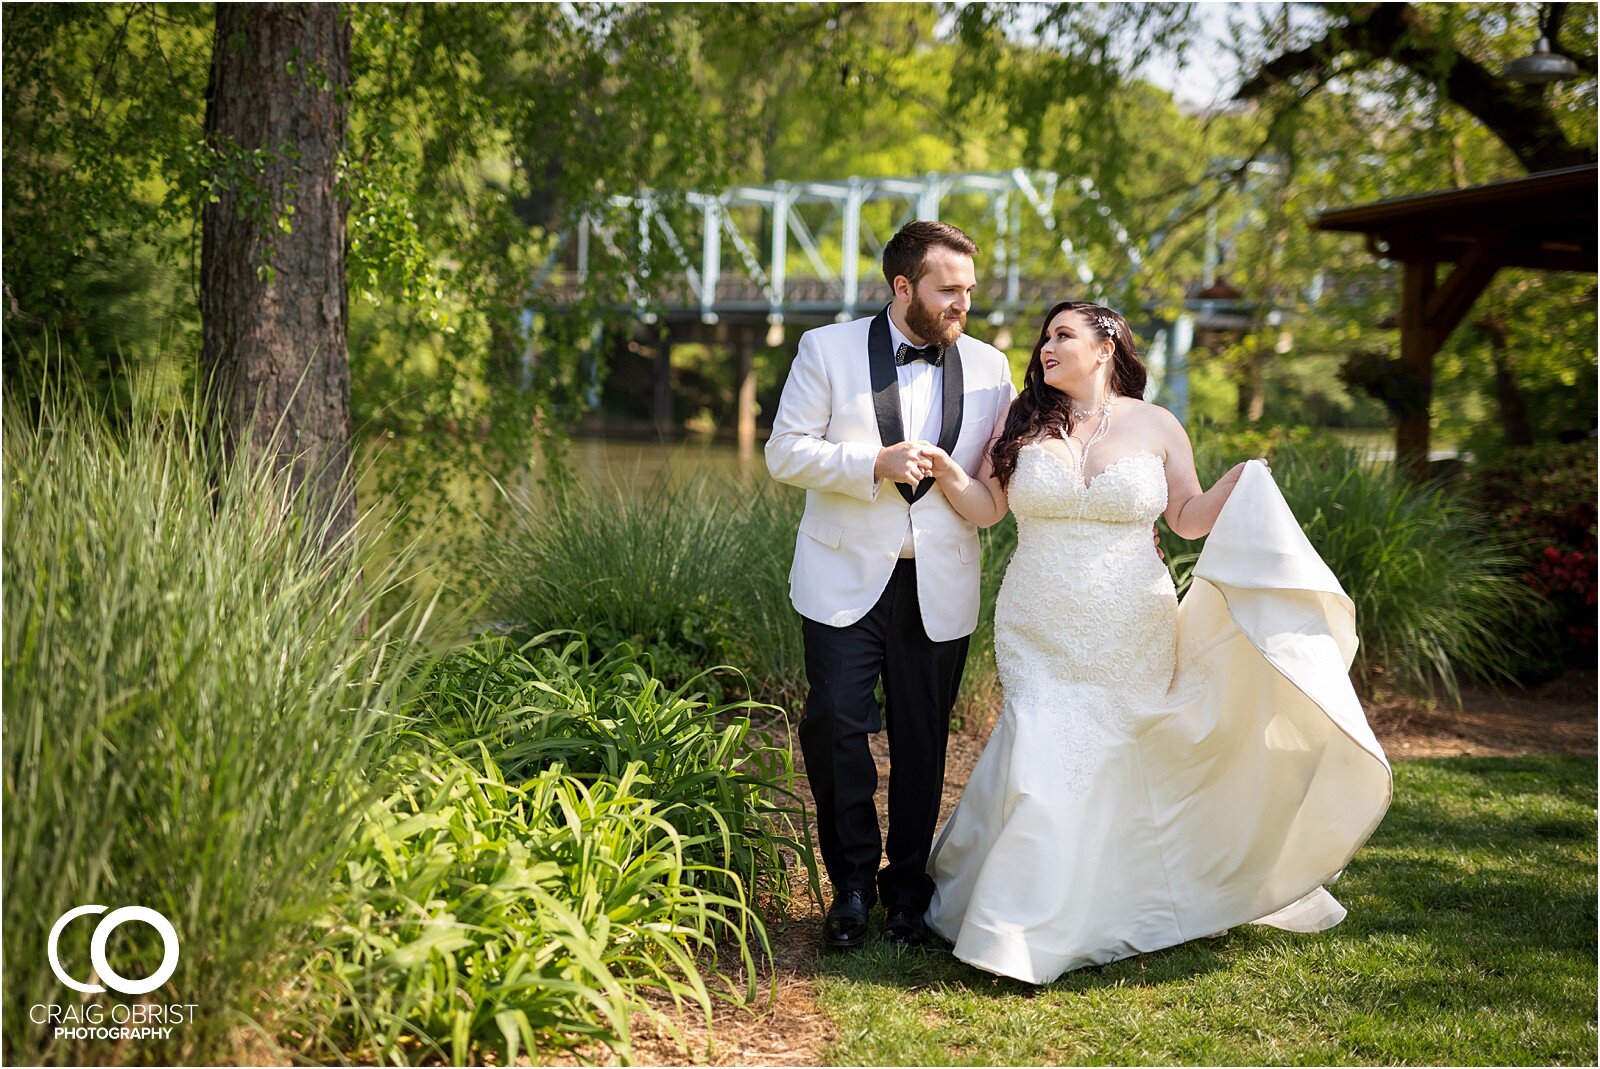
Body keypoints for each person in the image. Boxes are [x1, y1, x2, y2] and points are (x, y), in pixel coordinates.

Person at [915, 300, 1393, 984]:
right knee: (1044, 743)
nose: (1046, 347)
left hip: (1131, 620)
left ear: (1107, 345)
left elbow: (1187, 519)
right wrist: (945, 471)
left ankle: (1066, 913)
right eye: (1044, 337)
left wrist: (1240, 481)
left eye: (1062, 335)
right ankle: (1017, 922)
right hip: (1036, 618)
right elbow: (989, 508)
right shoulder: (1021, 418)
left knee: (1113, 747)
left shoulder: (1159, 424)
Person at [764, 221, 1017, 949]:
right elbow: (785, 452)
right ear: (903, 286)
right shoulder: (827, 348)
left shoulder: (993, 365)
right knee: (835, 724)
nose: (962, 302)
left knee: (923, 739)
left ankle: (906, 891)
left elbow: (999, 478)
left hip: (941, 581)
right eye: (948, 289)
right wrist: (871, 463)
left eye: (969, 289)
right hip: (841, 573)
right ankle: (849, 884)